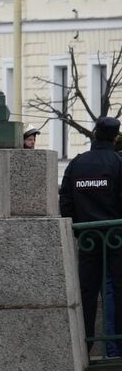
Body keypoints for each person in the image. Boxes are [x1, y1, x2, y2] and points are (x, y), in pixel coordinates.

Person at [59, 115, 122, 349]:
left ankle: (84, 346)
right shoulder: (118, 163)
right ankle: (115, 347)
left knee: (86, 293)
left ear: (95, 134)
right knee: (117, 290)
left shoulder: (77, 163)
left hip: (87, 239)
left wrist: (79, 230)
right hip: (115, 238)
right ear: (115, 138)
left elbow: (65, 201)